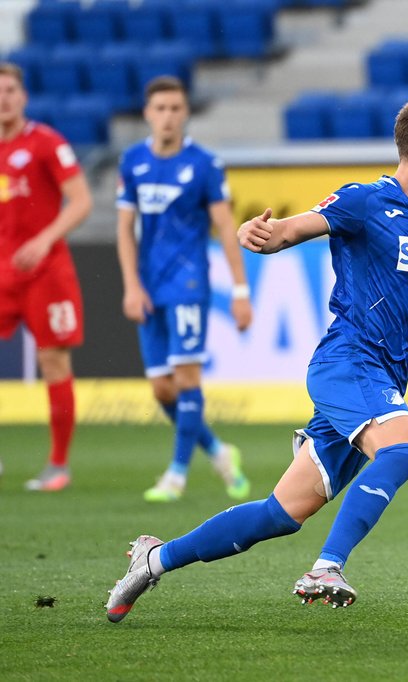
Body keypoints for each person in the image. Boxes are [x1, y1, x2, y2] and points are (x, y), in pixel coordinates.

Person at [104, 94, 408, 622]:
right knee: (403, 453)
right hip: (348, 362)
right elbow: (293, 228)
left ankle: (154, 559)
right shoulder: (364, 201)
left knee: (280, 514)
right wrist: (259, 235)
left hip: (380, 377)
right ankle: (326, 567)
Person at [115, 76, 253, 503]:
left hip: (188, 283)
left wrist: (240, 289)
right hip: (149, 286)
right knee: (161, 388)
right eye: (160, 109)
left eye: (176, 108)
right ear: (147, 113)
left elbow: (226, 226)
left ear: (186, 112)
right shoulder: (132, 161)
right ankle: (218, 451)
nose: (168, 116)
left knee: (187, 378)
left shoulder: (205, 165)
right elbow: (124, 229)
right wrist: (131, 285)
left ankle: (176, 474)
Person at [0, 62, 93, 492]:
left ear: (24, 96)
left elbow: (80, 201)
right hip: (3, 269)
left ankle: (58, 465)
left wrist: (43, 238)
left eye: (11, 90)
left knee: (53, 360)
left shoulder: (46, 143)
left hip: (45, 271)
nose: (4, 98)